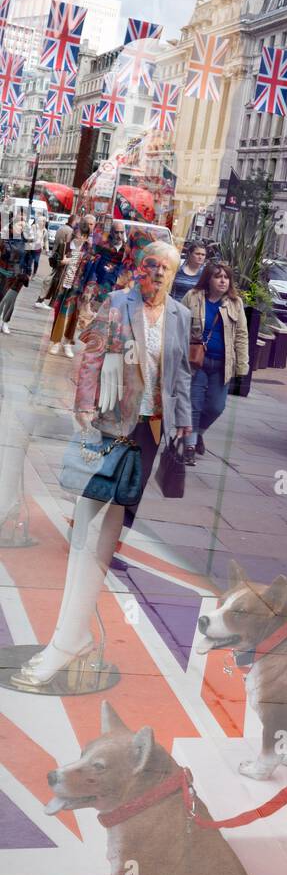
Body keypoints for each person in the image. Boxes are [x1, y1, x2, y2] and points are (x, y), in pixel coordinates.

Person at [11, 237, 193, 690]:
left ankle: (71, 637)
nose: (156, 277)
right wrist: (84, 406)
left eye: (165, 271)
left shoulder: (179, 315)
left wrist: (184, 423)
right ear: (138, 268)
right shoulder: (117, 302)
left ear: (174, 275)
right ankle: (66, 638)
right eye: (150, 267)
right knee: (87, 528)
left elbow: (180, 376)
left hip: (149, 432)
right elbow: (91, 357)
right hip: (110, 424)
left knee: (110, 528)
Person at [182, 260, 249, 465]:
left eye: (226, 277)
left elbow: (241, 335)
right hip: (197, 362)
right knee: (194, 404)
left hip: (222, 365)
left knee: (215, 407)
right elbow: (179, 326)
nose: (222, 280)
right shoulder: (193, 297)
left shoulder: (235, 304)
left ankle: (199, 432)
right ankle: (189, 446)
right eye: (218, 276)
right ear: (208, 278)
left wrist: (242, 366)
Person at [47, 222, 87, 357]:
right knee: (59, 313)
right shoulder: (66, 246)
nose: (79, 237)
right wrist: (62, 262)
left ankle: (68, 342)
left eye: (82, 235)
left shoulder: (88, 250)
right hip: (63, 284)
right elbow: (54, 260)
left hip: (78, 287)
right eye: (78, 233)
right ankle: (56, 342)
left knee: (73, 316)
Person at [36, 213, 78, 309]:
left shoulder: (62, 228)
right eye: (77, 222)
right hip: (61, 257)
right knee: (55, 279)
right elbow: (65, 245)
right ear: (74, 221)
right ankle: (43, 300)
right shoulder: (70, 231)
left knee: (54, 278)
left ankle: (45, 300)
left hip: (56, 256)